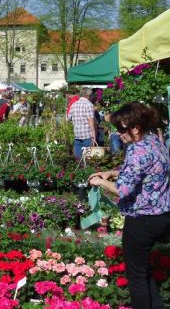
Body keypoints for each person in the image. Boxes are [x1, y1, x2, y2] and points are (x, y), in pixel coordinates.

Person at [88, 101, 170, 309]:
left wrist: (101, 181)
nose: (119, 134)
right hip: (162, 216)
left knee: (136, 277)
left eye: (122, 129)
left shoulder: (137, 151)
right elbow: (147, 173)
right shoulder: (155, 142)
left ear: (136, 128)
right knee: (143, 271)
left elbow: (122, 190)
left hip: (141, 220)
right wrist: (113, 173)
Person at [68, 88, 96, 159]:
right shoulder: (88, 104)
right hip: (87, 134)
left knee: (78, 158)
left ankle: (79, 168)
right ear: (88, 95)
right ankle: (87, 169)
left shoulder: (74, 104)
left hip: (77, 133)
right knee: (88, 157)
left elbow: (69, 118)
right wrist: (93, 133)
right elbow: (90, 121)